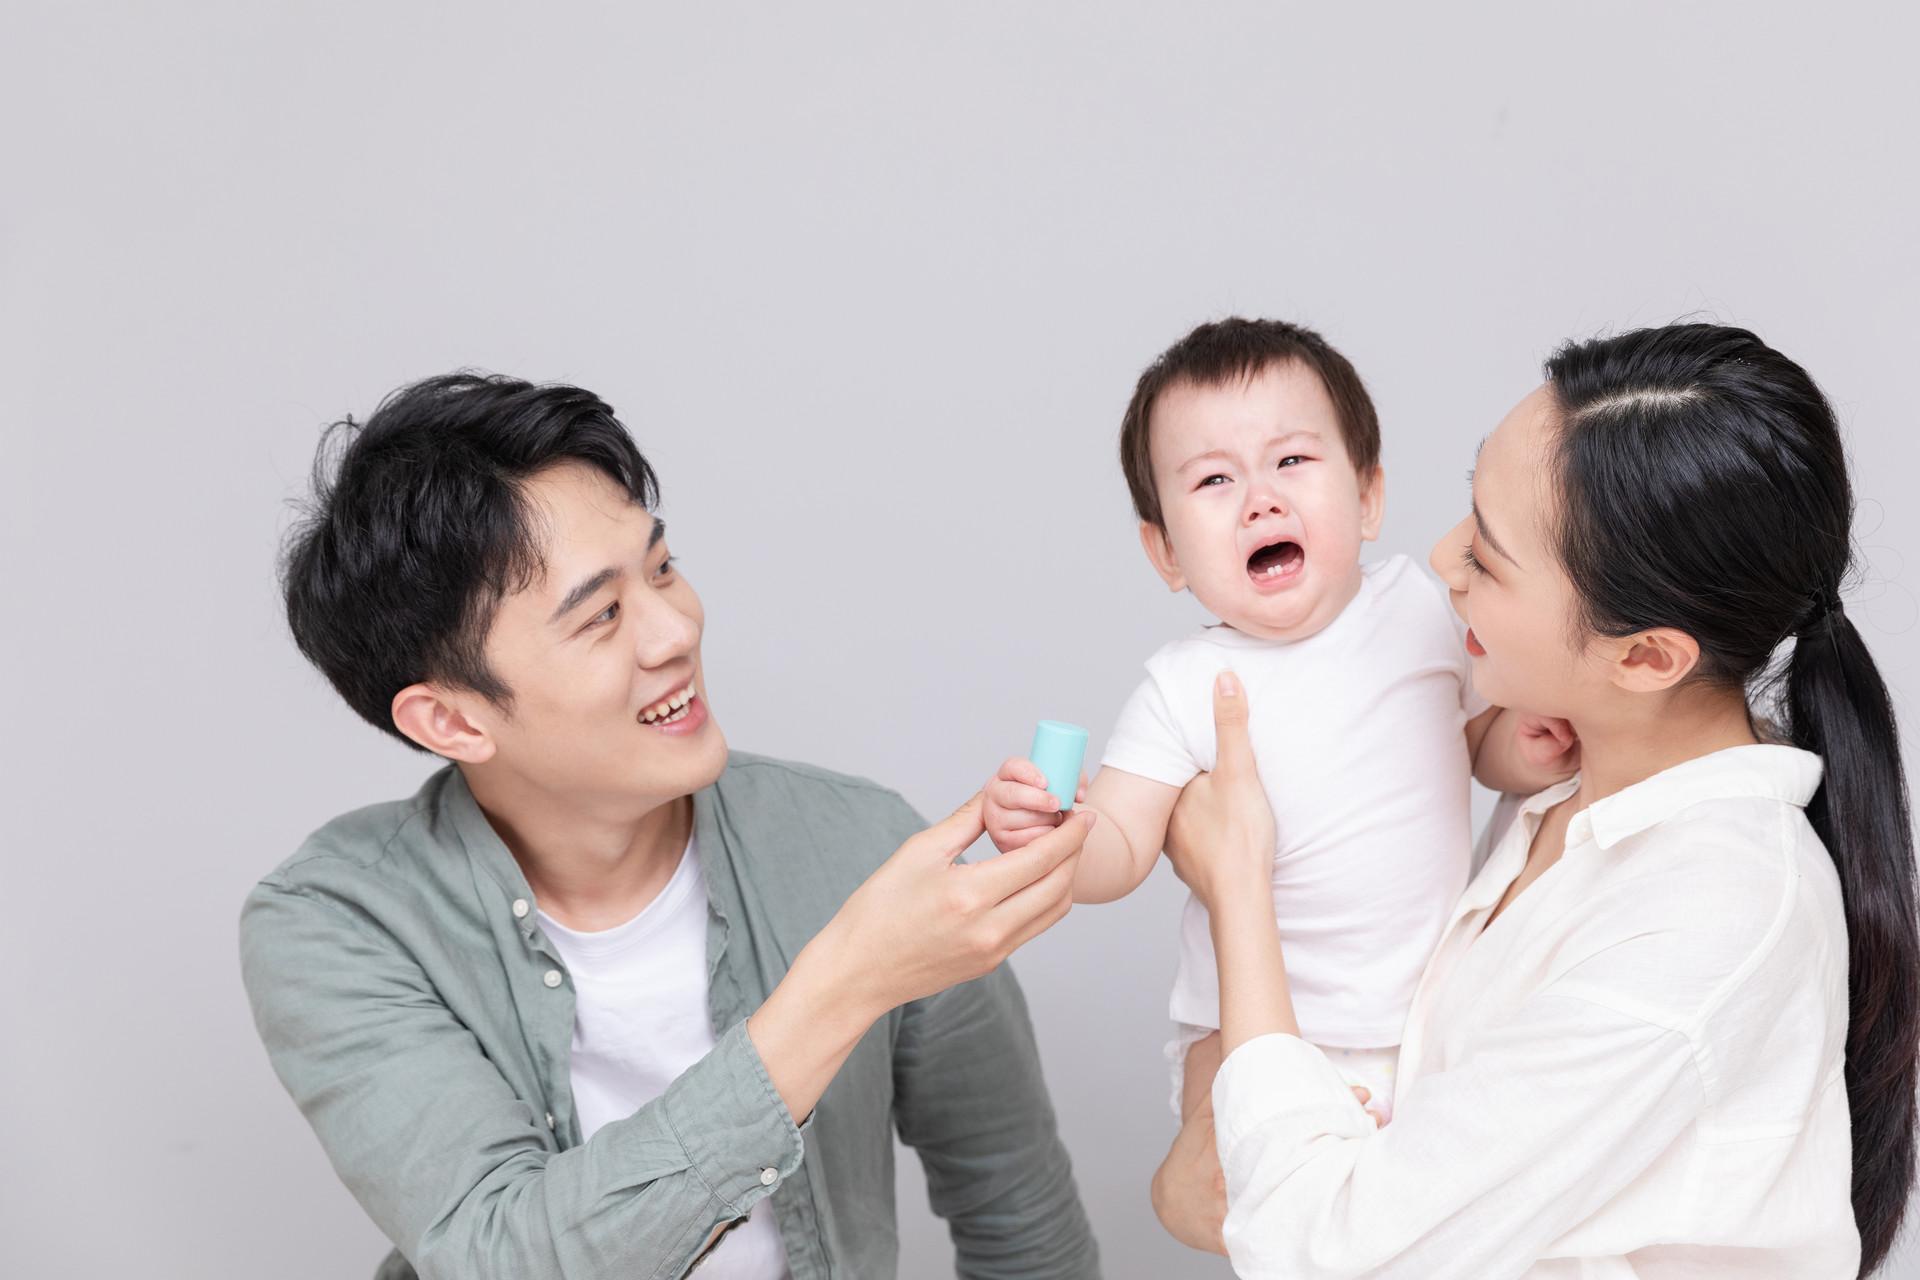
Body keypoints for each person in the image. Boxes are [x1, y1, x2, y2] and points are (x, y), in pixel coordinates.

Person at [239, 373, 1101, 1280]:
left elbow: (1024, 1230)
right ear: (451, 721)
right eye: (602, 615)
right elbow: (502, 1254)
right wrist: (847, 982)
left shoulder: (860, 844)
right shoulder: (336, 921)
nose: (676, 631)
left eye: (661, 568)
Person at [1155, 323, 1917, 1276]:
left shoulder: (1711, 918)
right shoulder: (1567, 769)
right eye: (1469, 512)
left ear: (1646, 656)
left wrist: (1239, 886)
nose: (1442, 559)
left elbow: (1330, 1249)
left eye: (1489, 557)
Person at [981, 318, 1574, 1123]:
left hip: (1429, 1021)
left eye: (1291, 461)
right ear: (1167, 553)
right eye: (1213, 480)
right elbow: (1120, 850)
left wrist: (1523, 748)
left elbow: (1468, 745)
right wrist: (1056, 833)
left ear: (1367, 497)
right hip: (1258, 1034)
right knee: (1283, 1193)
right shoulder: (1182, 687)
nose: (1261, 500)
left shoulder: (1417, 610)